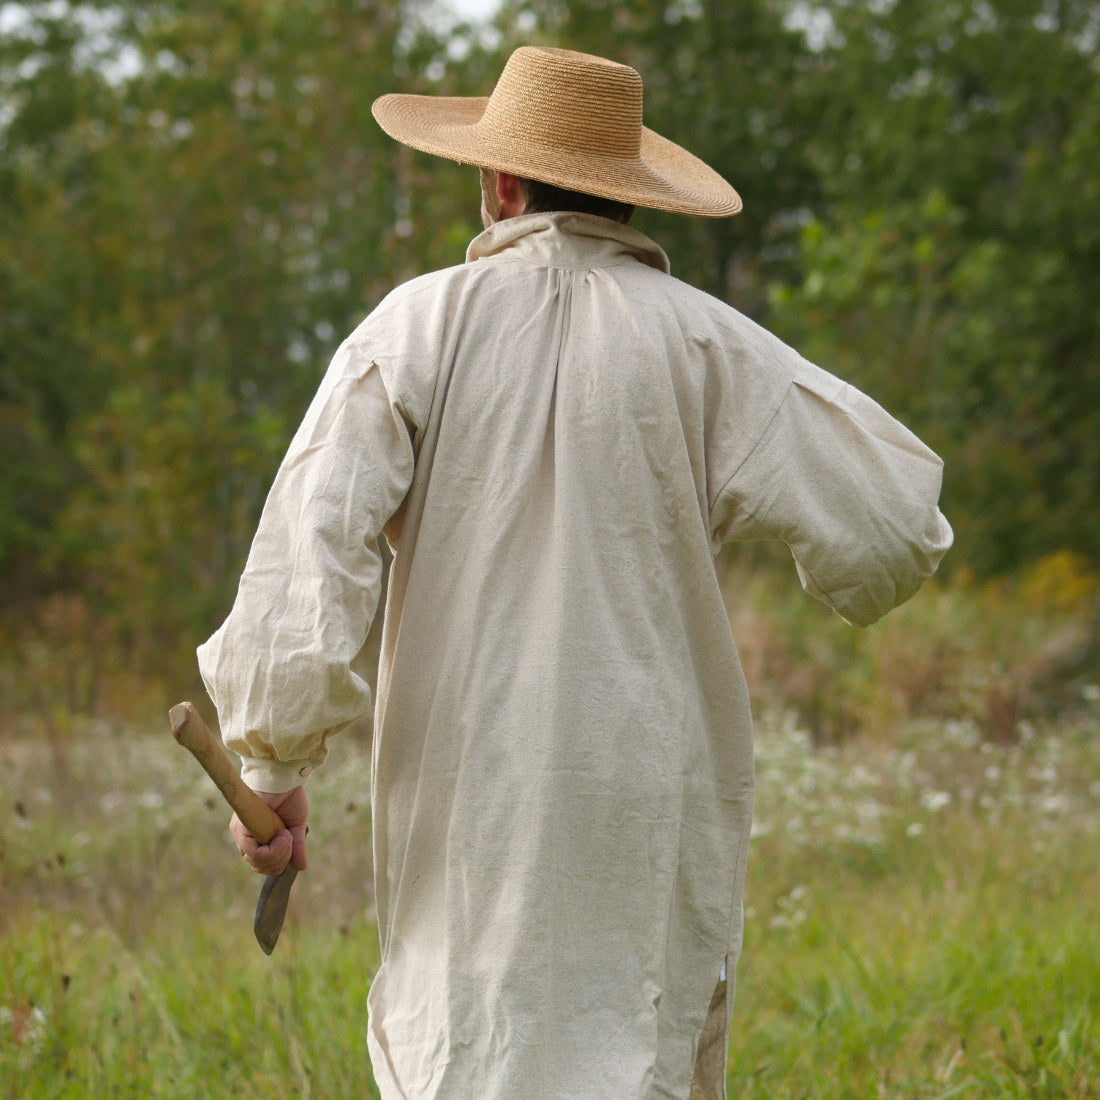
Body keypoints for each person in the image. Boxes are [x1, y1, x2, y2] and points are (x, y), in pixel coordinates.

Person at [198, 45, 952, 1099]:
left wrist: (272, 766)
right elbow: (895, 529)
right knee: (634, 1055)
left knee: (468, 1055)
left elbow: (308, 558)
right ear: (628, 194)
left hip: (468, 805)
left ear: (502, 182)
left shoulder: (411, 329)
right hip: (649, 801)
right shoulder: (713, 348)